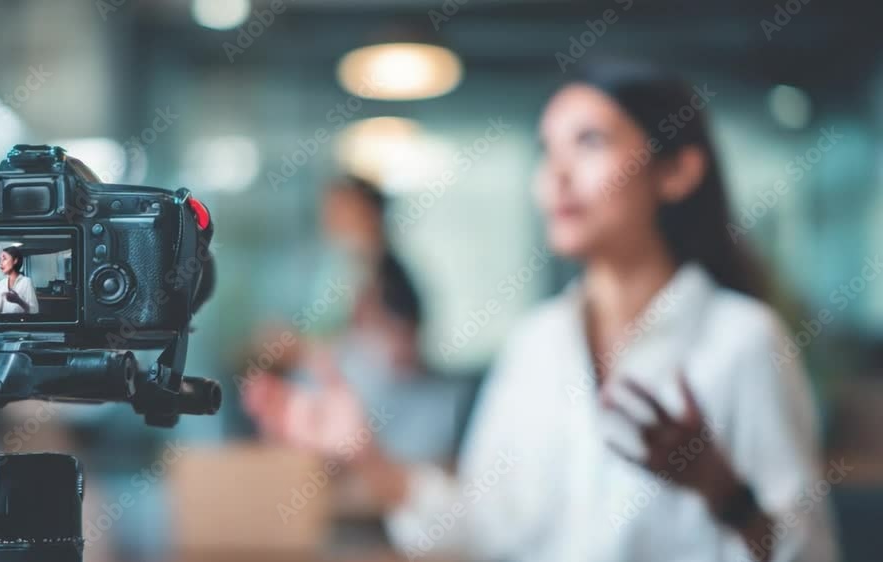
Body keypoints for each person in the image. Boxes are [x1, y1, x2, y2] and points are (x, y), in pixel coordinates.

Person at [243, 61, 839, 562]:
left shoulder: (742, 340)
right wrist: (368, 458)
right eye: (546, 149)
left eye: (590, 142)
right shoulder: (537, 343)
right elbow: (482, 529)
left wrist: (727, 495)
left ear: (677, 171)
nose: (555, 175)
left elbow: (808, 550)